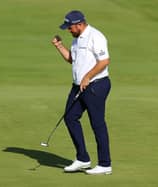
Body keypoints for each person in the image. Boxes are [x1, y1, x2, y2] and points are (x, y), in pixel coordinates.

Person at [51, 10, 112, 175]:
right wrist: (59, 46)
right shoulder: (76, 39)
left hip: (96, 85)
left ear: (79, 24)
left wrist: (88, 76)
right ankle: (83, 159)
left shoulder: (96, 36)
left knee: (97, 123)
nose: (68, 30)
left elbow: (104, 61)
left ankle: (105, 164)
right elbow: (72, 59)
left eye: (70, 27)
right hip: (79, 86)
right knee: (70, 118)